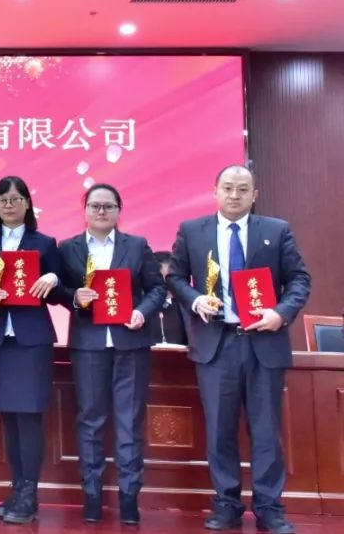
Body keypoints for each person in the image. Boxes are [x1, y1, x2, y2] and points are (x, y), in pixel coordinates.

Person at [167, 166, 310, 534]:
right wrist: (195, 299)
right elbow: (175, 277)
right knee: (219, 430)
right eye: (228, 188)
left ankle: (269, 508)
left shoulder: (276, 230)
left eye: (243, 189)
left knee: (266, 431)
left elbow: (299, 279)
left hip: (263, 342)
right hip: (216, 343)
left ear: (254, 195)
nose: (234, 195)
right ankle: (227, 504)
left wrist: (280, 314)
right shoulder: (192, 231)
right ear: (214, 191)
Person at [58, 183, 166, 524]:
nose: (102, 211)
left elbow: (157, 288)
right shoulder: (68, 248)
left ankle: (129, 497)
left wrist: (142, 312)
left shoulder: (137, 245)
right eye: (95, 206)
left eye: (108, 206)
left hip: (130, 343)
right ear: (85, 210)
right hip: (89, 344)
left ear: (119, 211)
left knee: (129, 422)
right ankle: (92, 496)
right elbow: (58, 290)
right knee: (90, 421)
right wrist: (75, 297)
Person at [0, 176, 64, 525]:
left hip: (32, 340)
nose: (9, 205)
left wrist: (53, 278)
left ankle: (30, 494)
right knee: (9, 416)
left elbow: (59, 291)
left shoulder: (45, 243)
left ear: (27, 203)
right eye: (2, 200)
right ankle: (17, 488)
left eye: (15, 199)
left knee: (30, 417)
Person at [149, 251, 188, 346]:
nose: (165, 284)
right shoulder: (139, 307)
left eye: (168, 279)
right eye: (160, 279)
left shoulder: (188, 307)